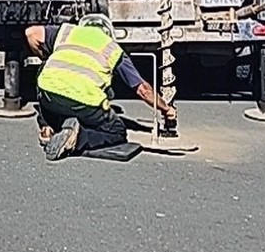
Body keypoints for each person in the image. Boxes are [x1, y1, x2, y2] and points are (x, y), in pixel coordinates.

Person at [24, 13, 176, 161]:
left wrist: (45, 57)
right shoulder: (112, 48)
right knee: (117, 132)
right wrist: (166, 109)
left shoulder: (68, 32)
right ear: (109, 33)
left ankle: (48, 127)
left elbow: (31, 33)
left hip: (48, 93)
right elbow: (143, 90)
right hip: (83, 100)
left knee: (46, 77)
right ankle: (76, 139)